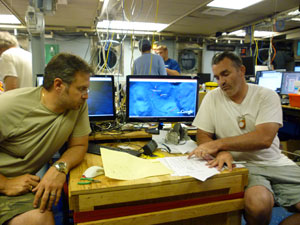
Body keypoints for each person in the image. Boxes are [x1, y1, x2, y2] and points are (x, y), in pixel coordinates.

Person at [189, 51, 300, 225]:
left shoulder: (266, 95)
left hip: (276, 163)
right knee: (259, 205)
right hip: (245, 166)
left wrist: (219, 144)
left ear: (241, 70)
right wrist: (222, 152)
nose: (221, 82)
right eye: (217, 77)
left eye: (225, 74)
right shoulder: (212, 97)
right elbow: (203, 135)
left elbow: (264, 139)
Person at [0, 52, 93, 225]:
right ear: (58, 85)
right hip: (5, 183)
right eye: (81, 89)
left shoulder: (77, 106)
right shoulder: (7, 106)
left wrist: (59, 168)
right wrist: (5, 184)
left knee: (42, 217)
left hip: (21, 184)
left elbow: (79, 145)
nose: (86, 95)